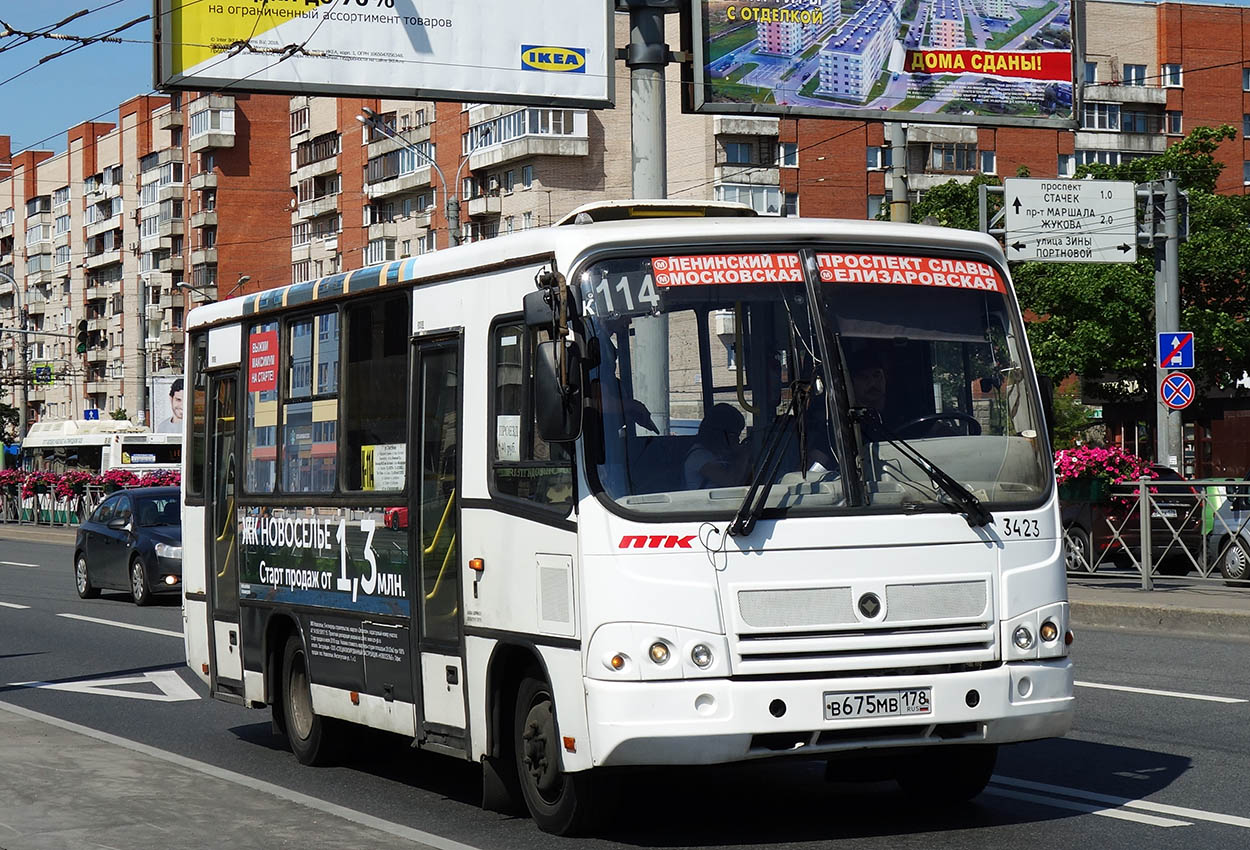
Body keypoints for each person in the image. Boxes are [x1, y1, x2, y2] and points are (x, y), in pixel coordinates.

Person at [684, 403, 749, 489]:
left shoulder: (718, 454)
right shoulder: (699, 456)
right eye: (733, 435)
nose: (737, 440)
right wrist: (744, 454)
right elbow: (731, 482)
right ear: (718, 433)